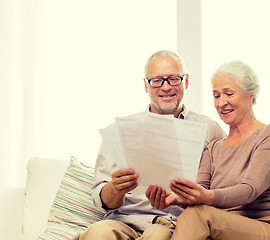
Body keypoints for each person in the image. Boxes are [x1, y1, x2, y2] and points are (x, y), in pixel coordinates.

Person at [72, 50, 226, 240]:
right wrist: (116, 189)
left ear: (186, 82)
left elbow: (221, 190)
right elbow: (100, 199)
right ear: (146, 85)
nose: (166, 87)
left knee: (157, 236)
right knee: (98, 233)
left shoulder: (210, 129)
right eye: (157, 80)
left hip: (172, 224)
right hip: (124, 221)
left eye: (173, 79)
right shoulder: (121, 130)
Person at [146, 60, 270, 239]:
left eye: (229, 94)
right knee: (188, 215)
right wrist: (175, 199)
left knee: (199, 213)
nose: (221, 102)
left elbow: (249, 189)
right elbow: (199, 191)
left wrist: (206, 196)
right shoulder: (213, 148)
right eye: (216, 95)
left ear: (251, 94)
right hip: (222, 230)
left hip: (269, 228)